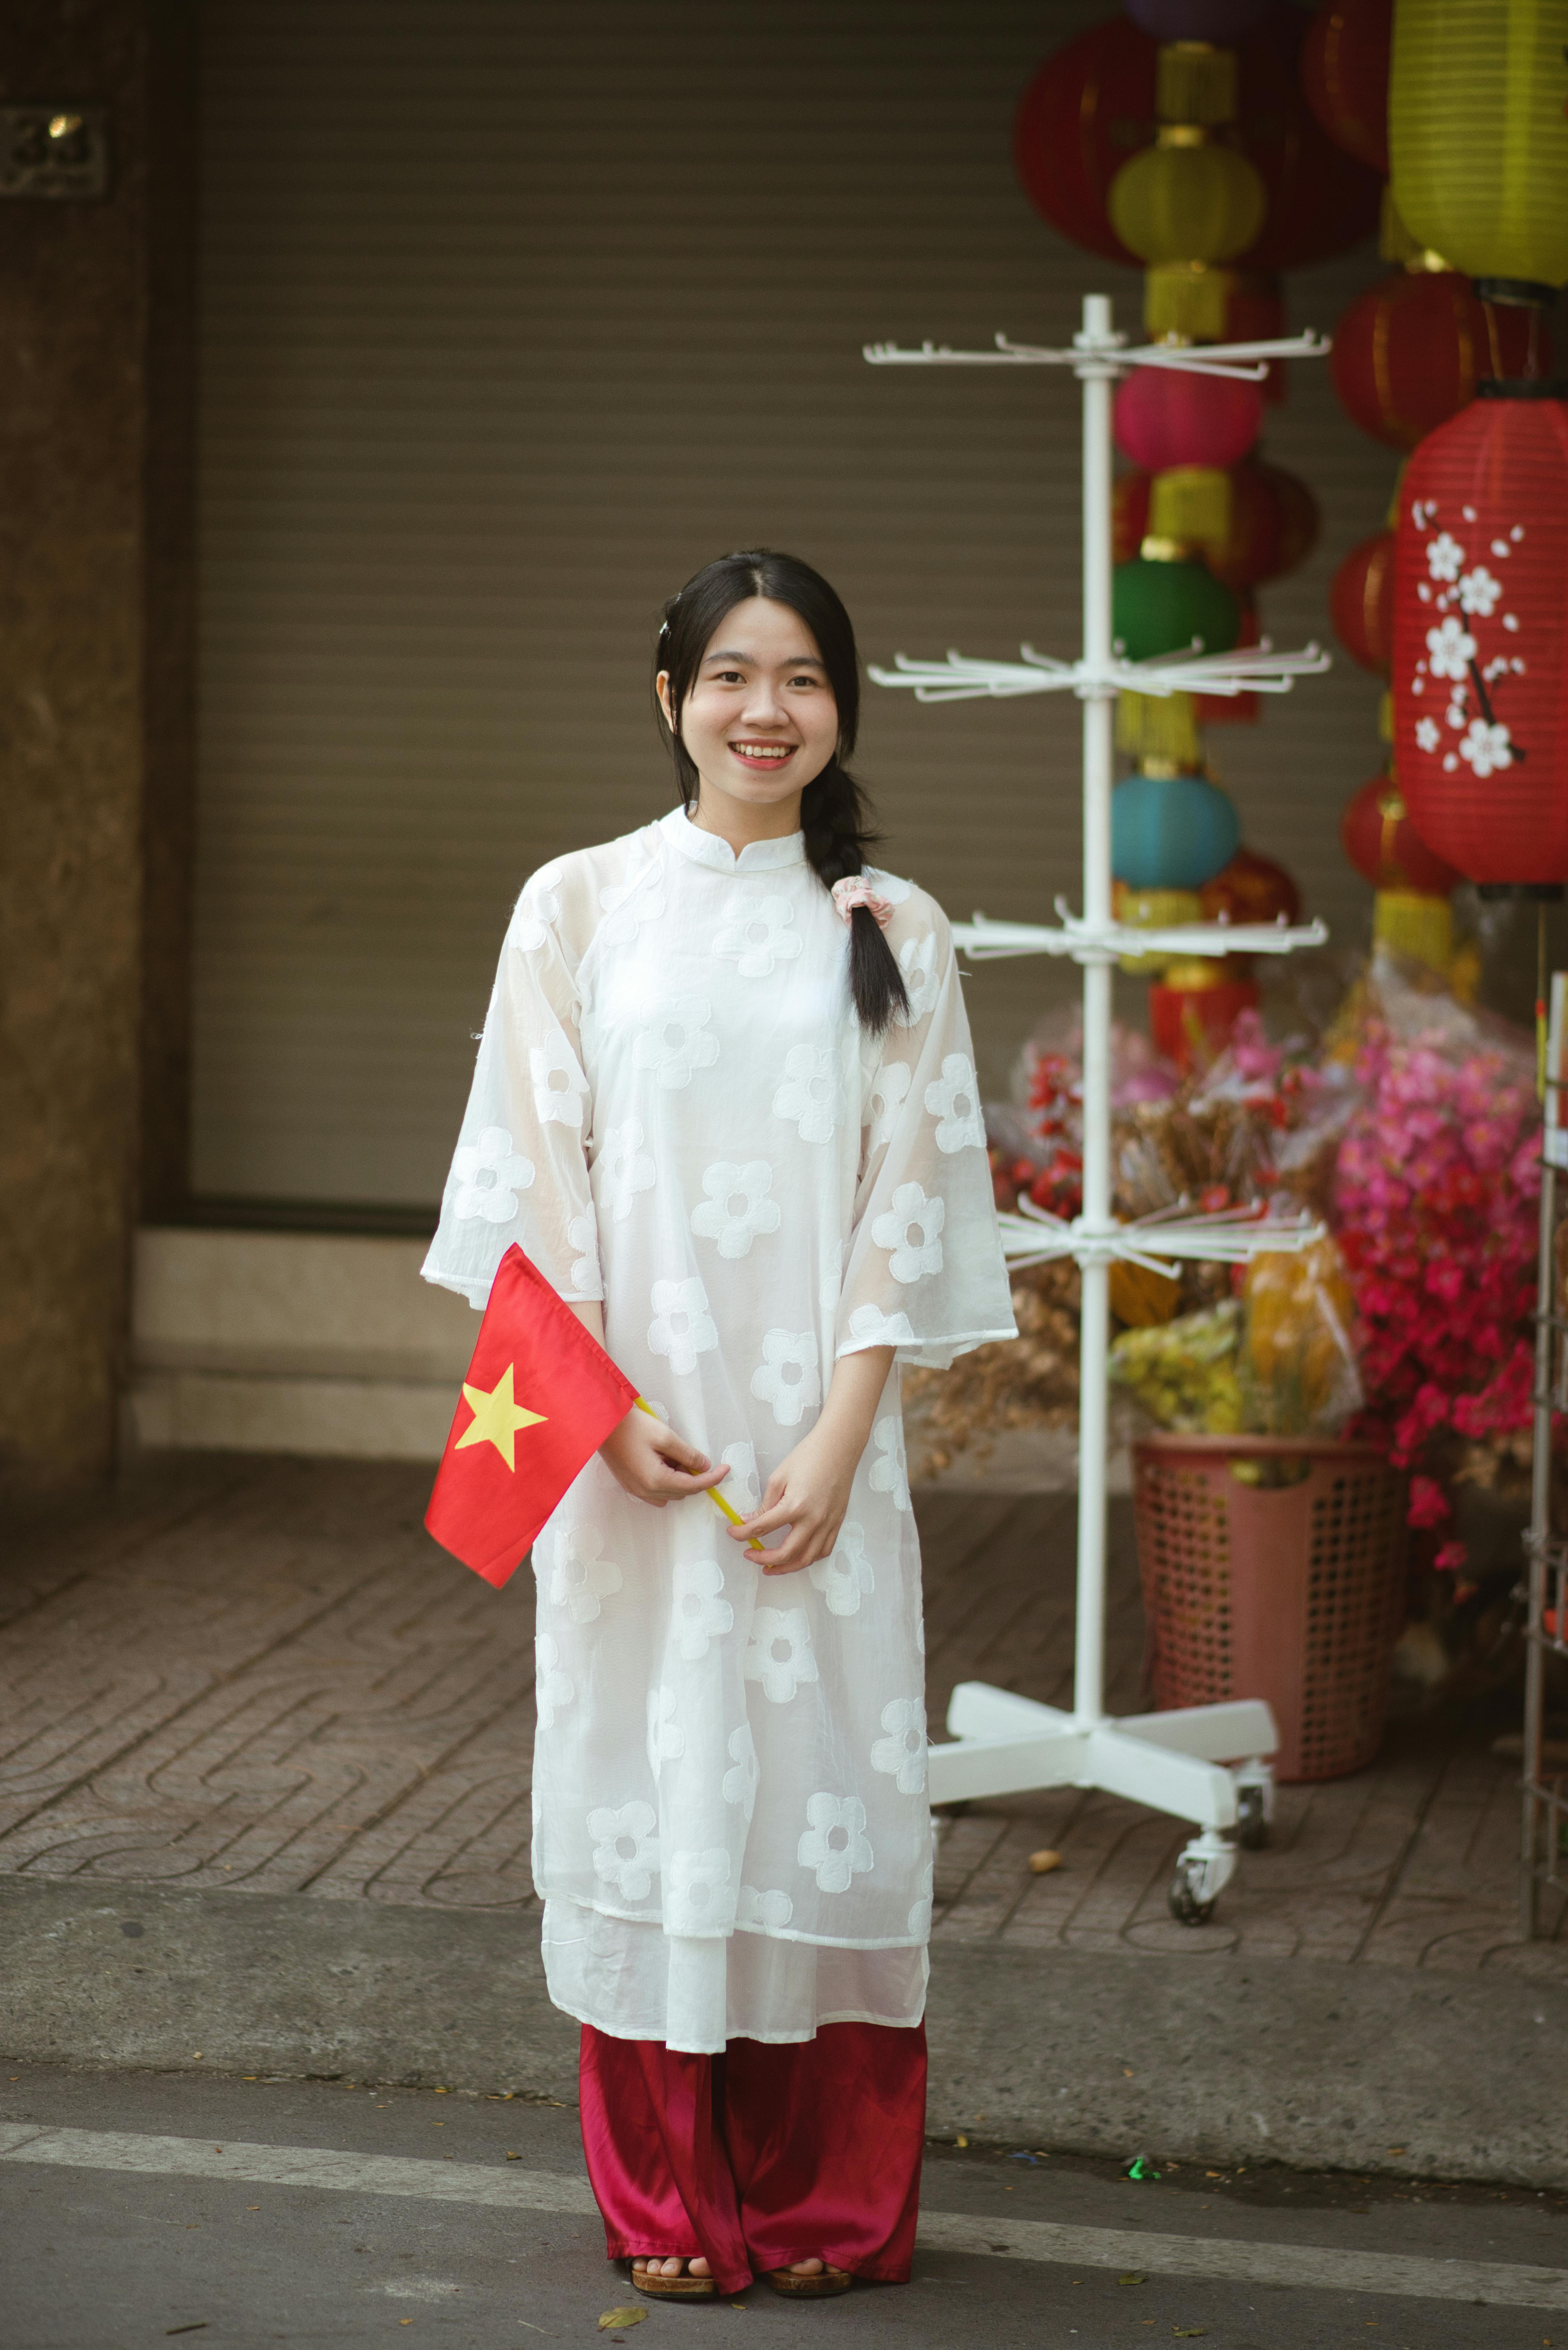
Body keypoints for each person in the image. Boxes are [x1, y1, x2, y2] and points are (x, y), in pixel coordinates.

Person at [422, 549, 1015, 2300]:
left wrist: (844, 1436)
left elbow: (908, 1203)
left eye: (807, 679)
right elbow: (537, 1186)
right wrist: (598, 1426)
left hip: (818, 1457)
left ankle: (829, 2202)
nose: (770, 711)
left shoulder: (895, 930)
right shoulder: (579, 907)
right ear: (667, 695)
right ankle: (672, 2200)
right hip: (636, 1455)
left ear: (845, 707)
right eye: (735, 676)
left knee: (827, 1789)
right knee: (650, 1775)